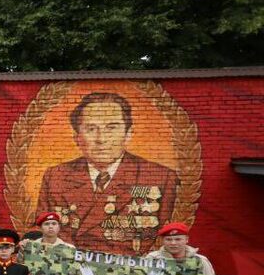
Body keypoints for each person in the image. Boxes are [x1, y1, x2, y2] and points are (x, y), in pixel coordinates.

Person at [37, 91, 179, 254]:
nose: (101, 139)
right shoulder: (56, 176)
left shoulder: (161, 177)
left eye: (111, 128)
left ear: (128, 133)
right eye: (91, 129)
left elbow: (166, 237)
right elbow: (40, 229)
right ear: (77, 137)